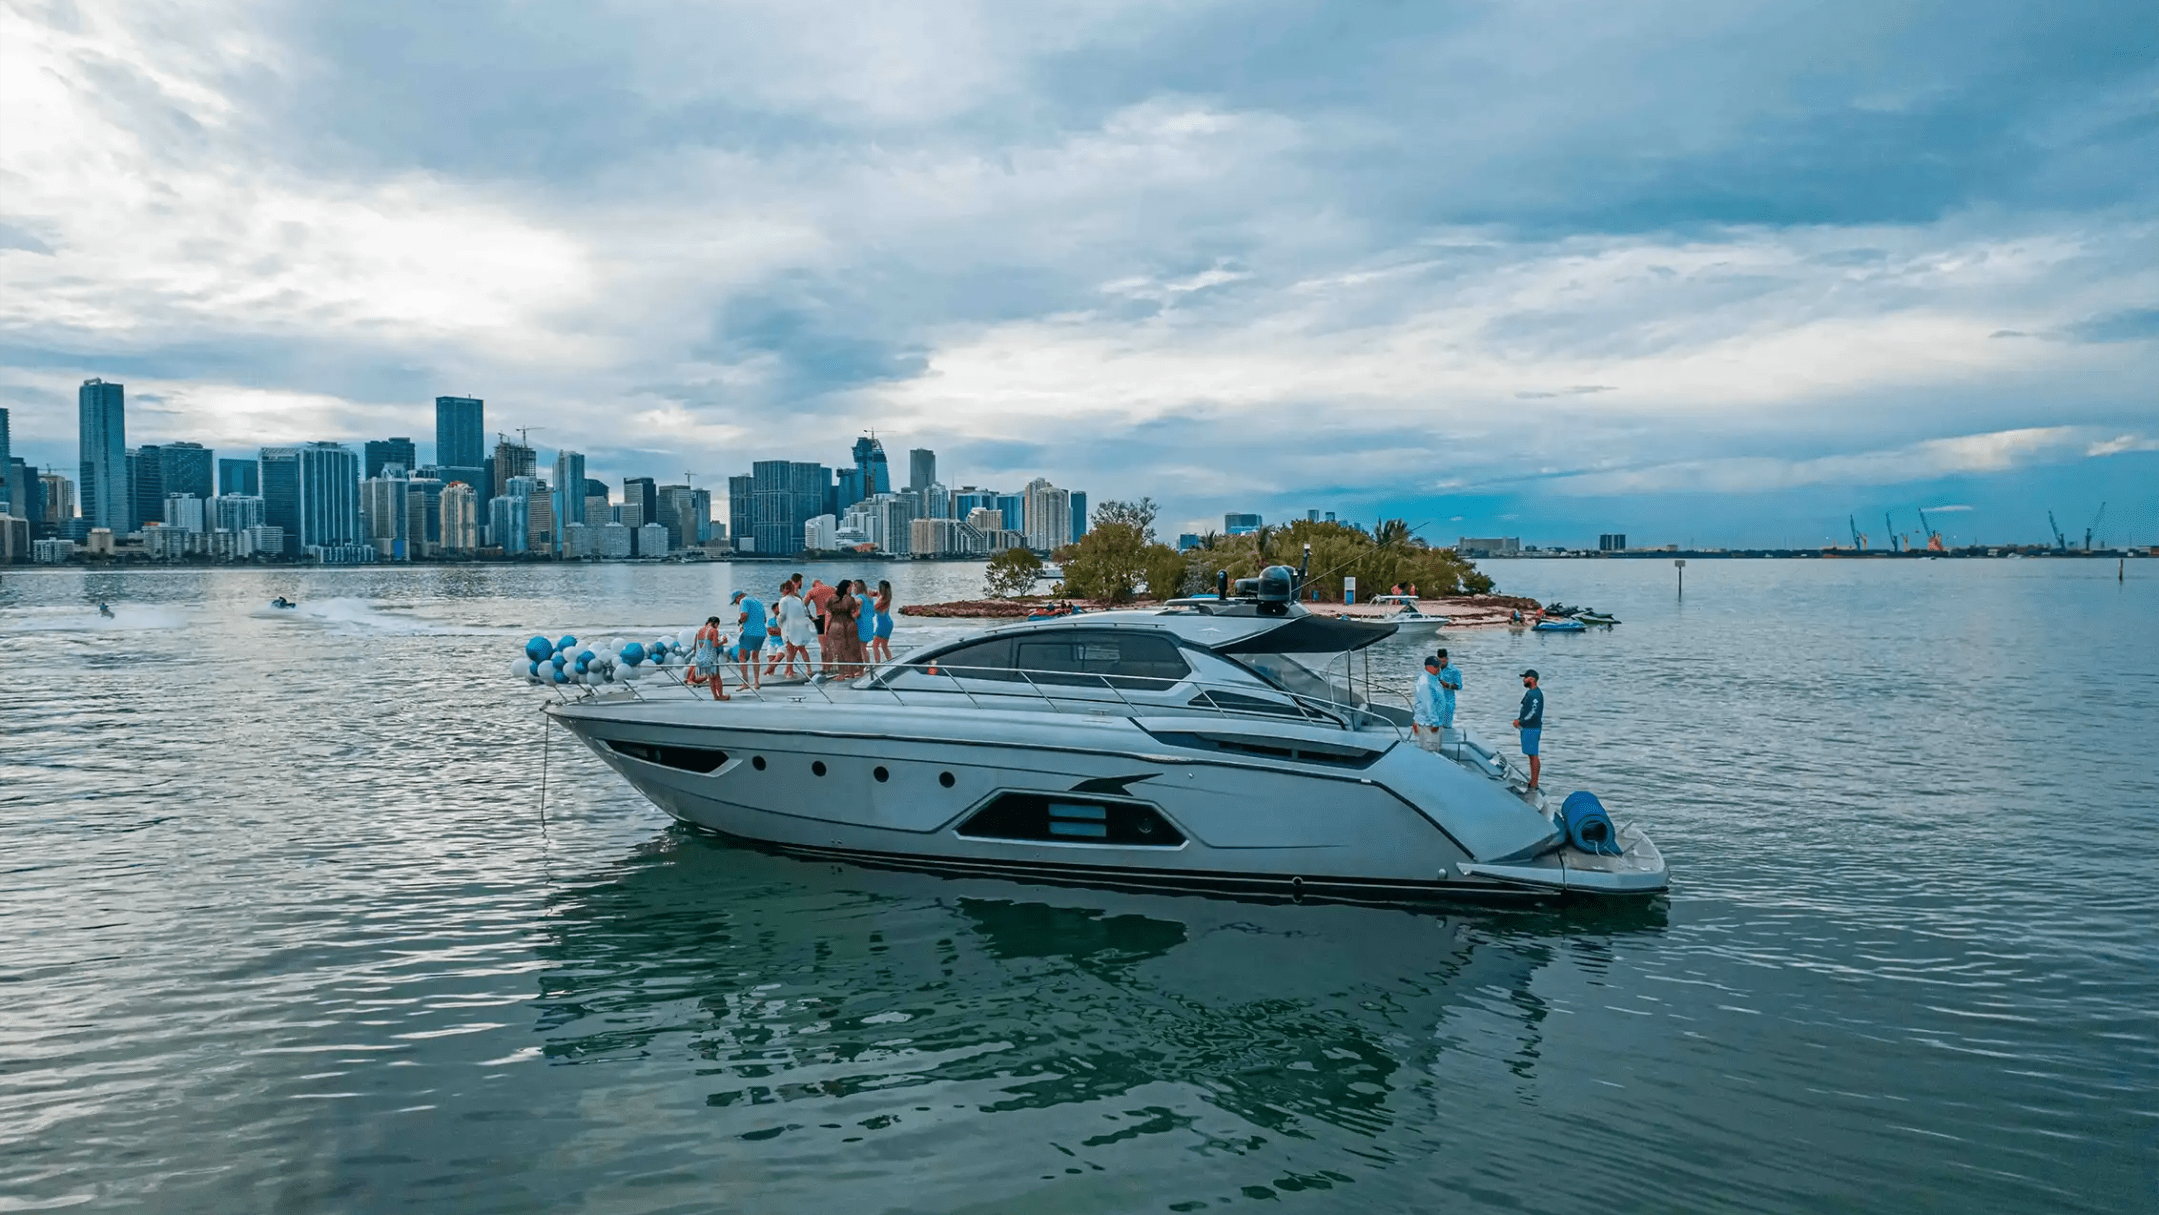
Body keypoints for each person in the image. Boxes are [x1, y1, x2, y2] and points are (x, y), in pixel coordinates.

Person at [774, 577, 814, 679]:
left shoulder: (783, 601)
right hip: (800, 626)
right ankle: (808, 669)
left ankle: (790, 671)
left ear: (786, 589)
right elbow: (805, 612)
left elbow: (782, 615)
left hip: (789, 627)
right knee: (802, 648)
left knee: (789, 649)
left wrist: (778, 623)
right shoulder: (798, 600)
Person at [824, 580, 864, 678]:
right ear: (845, 588)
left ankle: (841, 673)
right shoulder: (850, 599)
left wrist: (826, 628)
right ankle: (852, 671)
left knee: (839, 650)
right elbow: (853, 613)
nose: (851, 589)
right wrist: (859, 607)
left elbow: (828, 614)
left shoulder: (831, 599)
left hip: (835, 625)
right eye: (850, 587)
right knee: (851, 648)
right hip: (849, 625)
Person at [1513, 668, 1544, 790]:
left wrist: (1521, 721)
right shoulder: (1531, 693)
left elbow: (1534, 713)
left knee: (1533, 755)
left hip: (1532, 728)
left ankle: (1534, 782)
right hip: (1528, 728)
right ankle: (1533, 780)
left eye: (1525, 678)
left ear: (1532, 679)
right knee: (1531, 755)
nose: (1523, 680)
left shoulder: (1535, 694)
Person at [731, 590, 766, 690]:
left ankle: (745, 682)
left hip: (749, 632)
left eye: (735, 601)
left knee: (741, 656)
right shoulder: (759, 601)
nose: (737, 604)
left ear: (739, 597)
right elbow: (764, 619)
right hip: (762, 633)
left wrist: (740, 622)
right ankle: (756, 682)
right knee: (755, 657)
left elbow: (744, 615)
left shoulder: (744, 601)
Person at [690, 616, 730, 701]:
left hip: (700, 658)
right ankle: (721, 695)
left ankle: (715, 696)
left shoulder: (699, 631)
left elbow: (695, 646)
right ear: (715, 623)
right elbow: (715, 645)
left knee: (711, 677)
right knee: (717, 677)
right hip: (710, 657)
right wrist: (723, 642)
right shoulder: (713, 630)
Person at [805, 577, 838, 673]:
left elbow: (803, 605)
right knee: (832, 643)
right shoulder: (832, 589)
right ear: (821, 583)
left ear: (813, 584)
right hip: (833, 616)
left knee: (823, 646)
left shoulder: (812, 591)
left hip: (820, 617)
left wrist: (811, 617)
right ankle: (832, 665)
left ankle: (825, 667)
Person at [1412, 655, 1448, 741]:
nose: (1438, 669)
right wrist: (1435, 723)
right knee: (1429, 749)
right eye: (1435, 666)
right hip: (1427, 724)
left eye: (1439, 666)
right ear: (1428, 667)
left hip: (1431, 722)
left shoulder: (1433, 679)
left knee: (1433, 747)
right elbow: (1428, 704)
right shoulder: (1425, 682)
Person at [870, 579, 896, 664]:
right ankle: (890, 662)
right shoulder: (886, 596)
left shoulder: (882, 599)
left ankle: (877, 664)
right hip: (888, 623)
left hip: (883, 624)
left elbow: (874, 609)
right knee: (884, 646)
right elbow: (872, 593)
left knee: (874, 646)